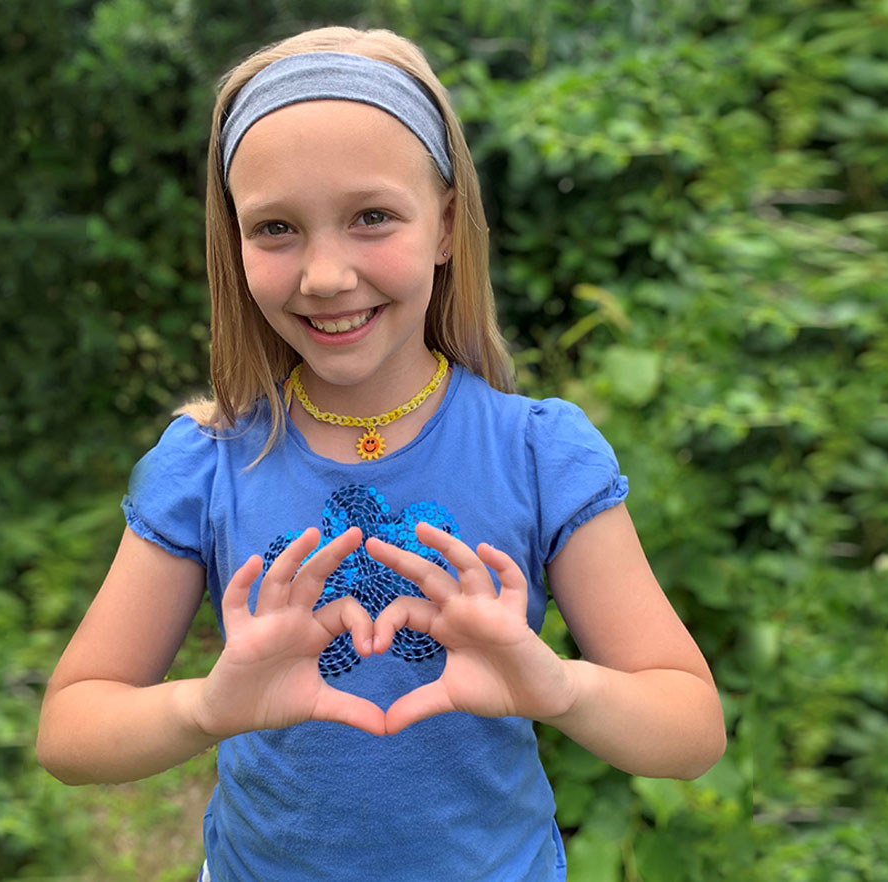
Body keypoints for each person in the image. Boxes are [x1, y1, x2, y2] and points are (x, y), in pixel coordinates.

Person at [37, 25, 726, 882]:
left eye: (371, 217)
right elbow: (70, 731)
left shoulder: (540, 453)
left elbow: (690, 728)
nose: (325, 275)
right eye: (277, 228)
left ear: (444, 225)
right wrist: (208, 706)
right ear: (234, 244)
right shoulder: (207, 462)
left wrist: (555, 687)